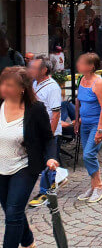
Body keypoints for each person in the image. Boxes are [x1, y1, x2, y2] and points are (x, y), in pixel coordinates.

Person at [0, 66, 59, 248]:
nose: (3, 88)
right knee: (9, 209)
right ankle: (28, 242)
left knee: (14, 212)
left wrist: (51, 157)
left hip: (24, 166)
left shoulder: (35, 109)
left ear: (22, 89)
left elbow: (48, 139)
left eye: (9, 85)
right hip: (1, 166)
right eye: (3, 83)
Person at [26, 56, 63, 209]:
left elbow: (56, 113)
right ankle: (58, 178)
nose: (30, 70)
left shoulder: (52, 87)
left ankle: (45, 193)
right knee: (45, 161)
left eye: (33, 68)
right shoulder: (34, 83)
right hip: (36, 131)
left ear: (44, 70)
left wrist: (50, 135)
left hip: (48, 132)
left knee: (49, 162)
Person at [74, 53, 102, 202]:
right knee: (89, 154)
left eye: (82, 63)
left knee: (88, 154)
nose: (78, 65)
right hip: (85, 123)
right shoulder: (81, 79)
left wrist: (100, 130)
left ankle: (100, 186)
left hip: (98, 123)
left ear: (91, 66)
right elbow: (78, 101)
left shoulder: (99, 83)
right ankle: (94, 185)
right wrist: (76, 120)